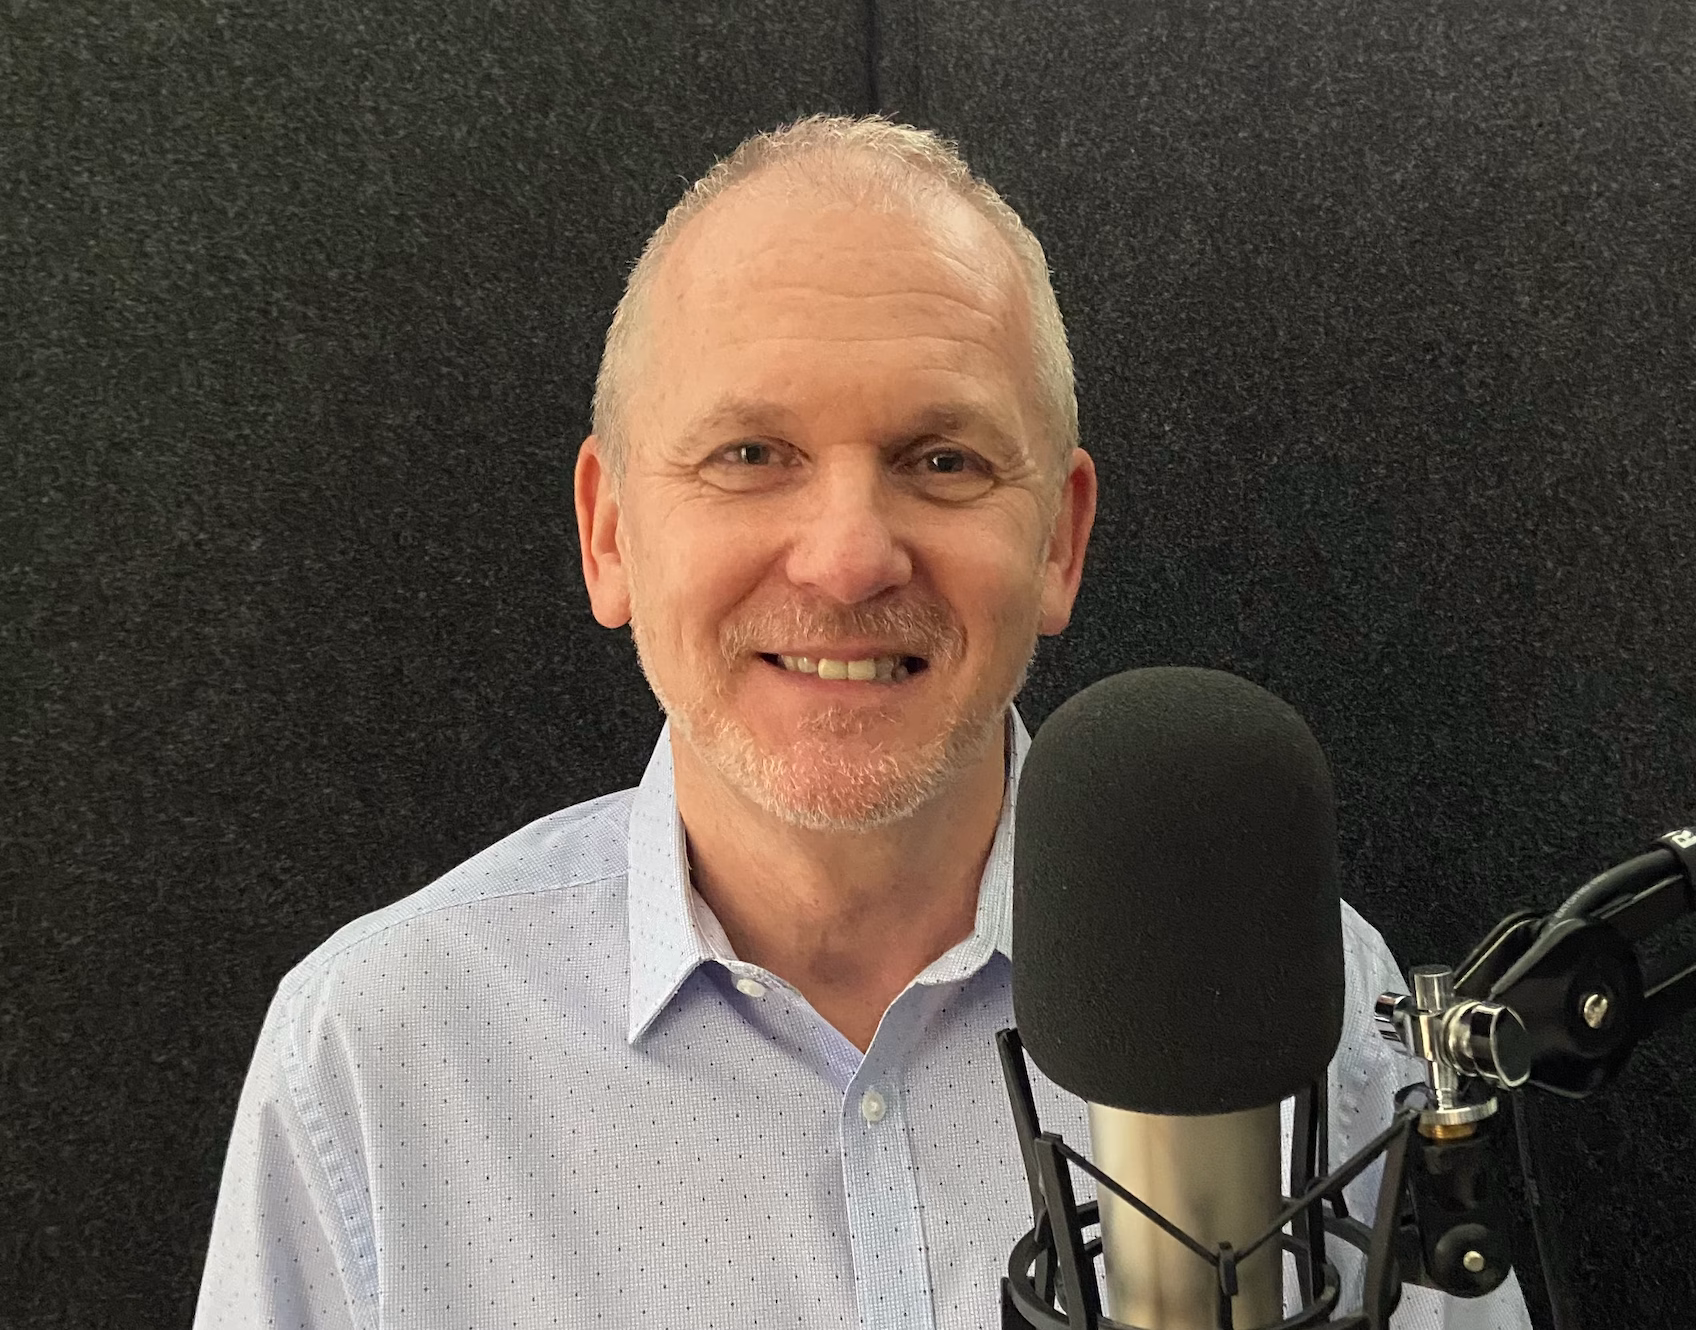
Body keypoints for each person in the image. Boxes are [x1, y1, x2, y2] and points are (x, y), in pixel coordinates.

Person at [195, 114, 1532, 1329]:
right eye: (750, 455)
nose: (846, 561)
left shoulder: (1297, 995)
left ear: (1059, 541)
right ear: (608, 535)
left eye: (942, 460)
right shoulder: (375, 1060)